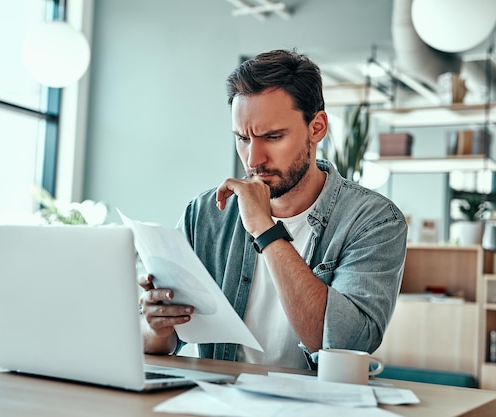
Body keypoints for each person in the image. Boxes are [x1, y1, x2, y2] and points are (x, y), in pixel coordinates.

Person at [138, 48, 408, 369]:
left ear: (317, 127)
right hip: (223, 402)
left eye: (272, 136)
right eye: (242, 138)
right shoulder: (207, 213)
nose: (253, 160)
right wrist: (156, 325)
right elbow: (162, 342)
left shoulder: (374, 221)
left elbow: (344, 343)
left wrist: (265, 230)